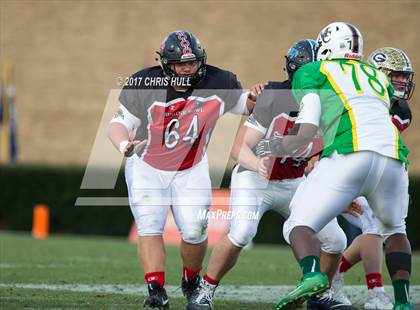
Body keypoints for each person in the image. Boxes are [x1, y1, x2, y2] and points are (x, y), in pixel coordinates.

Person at [255, 22, 412, 310]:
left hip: (350, 154)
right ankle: (402, 302)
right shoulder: (376, 75)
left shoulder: (313, 71)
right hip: (393, 158)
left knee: (297, 224)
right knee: (394, 229)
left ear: (325, 45)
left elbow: (307, 127)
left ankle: (313, 274)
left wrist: (275, 146)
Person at [186, 39, 352, 310]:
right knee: (242, 232)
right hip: (256, 179)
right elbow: (239, 145)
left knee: (336, 240)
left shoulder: (335, 105)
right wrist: (256, 164)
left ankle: (318, 296)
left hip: (295, 181)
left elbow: (325, 157)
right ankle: (205, 290)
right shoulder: (274, 96)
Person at [108, 30, 254, 309]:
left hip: (191, 166)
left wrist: (258, 96)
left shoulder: (219, 81)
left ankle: (190, 280)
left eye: (192, 62)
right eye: (180, 63)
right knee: (150, 225)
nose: (187, 68)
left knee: (194, 230)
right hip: (147, 165)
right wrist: (123, 144)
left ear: (202, 61)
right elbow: (118, 123)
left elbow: (245, 105)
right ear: (165, 63)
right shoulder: (144, 82)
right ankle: (156, 290)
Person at [332, 47, 415, 310]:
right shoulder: (352, 102)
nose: (402, 82)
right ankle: (375, 293)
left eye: (404, 77)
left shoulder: (400, 108)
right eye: (396, 76)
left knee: (379, 228)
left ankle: (333, 276)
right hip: (347, 168)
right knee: (375, 227)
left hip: (379, 168)